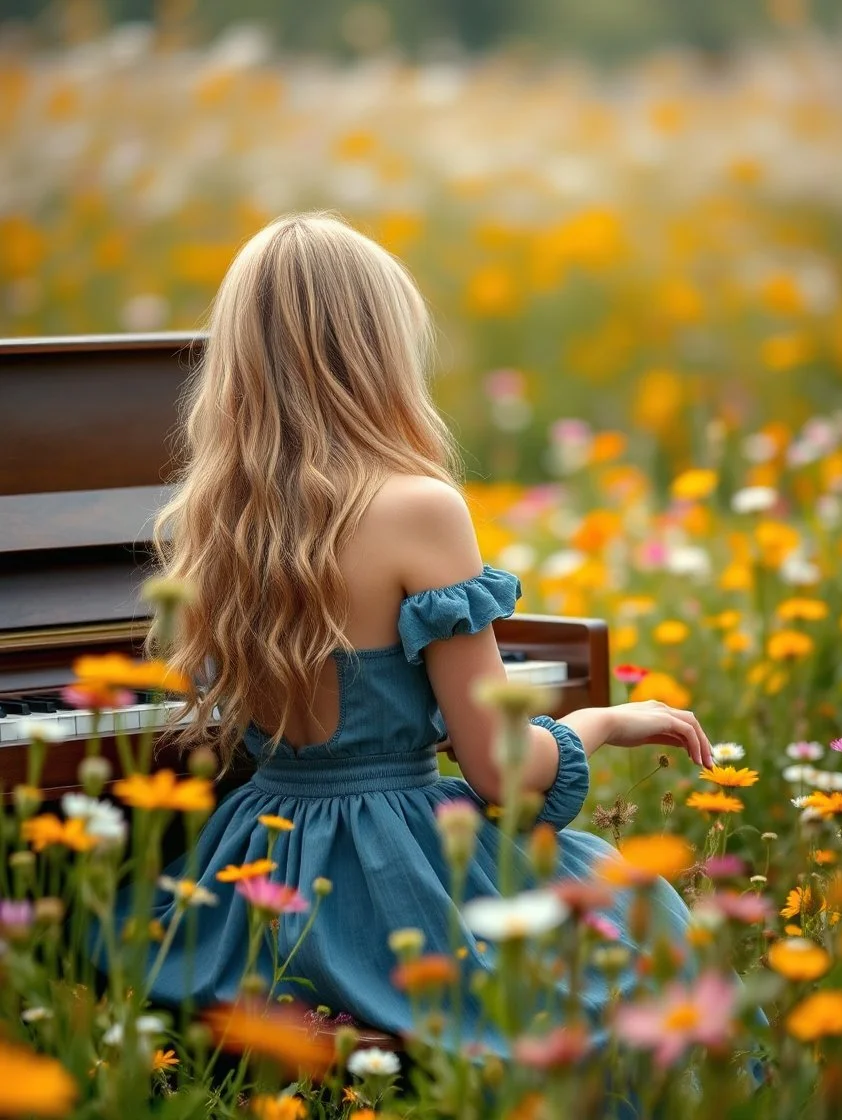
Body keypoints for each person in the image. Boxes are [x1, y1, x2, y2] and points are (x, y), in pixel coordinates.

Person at [139, 212, 715, 1041]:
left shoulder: (216, 516)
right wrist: (609, 721)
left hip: (259, 874)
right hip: (392, 881)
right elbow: (500, 771)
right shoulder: (418, 508)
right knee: (641, 926)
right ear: (377, 353)